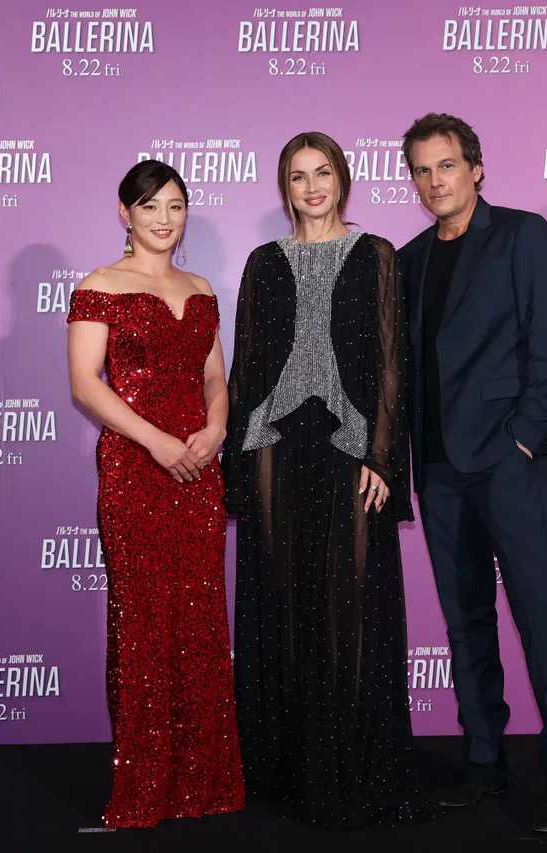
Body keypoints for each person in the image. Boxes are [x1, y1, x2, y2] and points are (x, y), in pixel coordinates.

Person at [397, 113, 547, 833]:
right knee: (465, 619)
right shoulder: (410, 259)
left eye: (446, 165)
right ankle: (485, 755)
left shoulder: (523, 235)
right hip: (440, 469)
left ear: (475, 167)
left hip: (509, 464)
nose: (435, 180)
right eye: (422, 168)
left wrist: (525, 442)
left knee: (540, 613)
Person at [223, 131, 421, 828]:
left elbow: (394, 362)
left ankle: (358, 766)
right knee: (283, 598)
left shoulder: (376, 256)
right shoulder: (262, 263)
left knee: (352, 604)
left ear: (343, 178)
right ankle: (285, 765)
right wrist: (240, 466)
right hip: (277, 447)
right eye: (299, 177)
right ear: (285, 187)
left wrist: (383, 458)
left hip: (349, 452)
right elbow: (246, 366)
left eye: (323, 173)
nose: (312, 188)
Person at [66, 160, 244, 828]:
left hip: (198, 470)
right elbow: (87, 384)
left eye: (174, 206)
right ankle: (144, 785)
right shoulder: (99, 286)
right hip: (136, 471)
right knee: (143, 624)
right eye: (149, 208)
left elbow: (215, 378)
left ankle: (204, 781)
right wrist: (158, 443)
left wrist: (216, 429)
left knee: (198, 621)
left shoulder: (199, 289)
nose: (164, 219)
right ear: (124, 214)